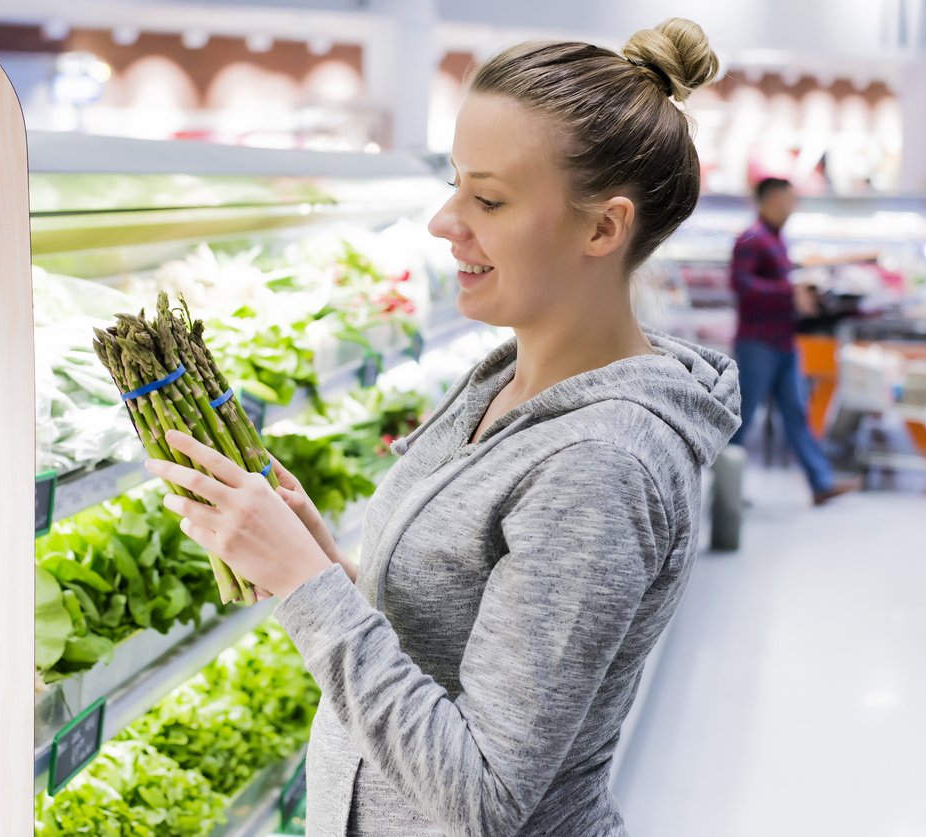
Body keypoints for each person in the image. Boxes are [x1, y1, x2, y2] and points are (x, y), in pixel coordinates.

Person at [146, 18, 741, 837]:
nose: (443, 221)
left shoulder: (600, 466)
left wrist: (303, 586)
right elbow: (452, 635)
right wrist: (321, 558)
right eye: (455, 182)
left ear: (603, 228)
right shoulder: (504, 375)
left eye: (488, 199)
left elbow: (484, 798)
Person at [729, 177, 861, 505]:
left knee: (797, 413)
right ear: (771, 199)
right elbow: (741, 285)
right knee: (741, 418)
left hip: (784, 341)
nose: (792, 207)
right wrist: (790, 292)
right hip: (758, 343)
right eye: (788, 199)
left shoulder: (776, 240)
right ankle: (725, 490)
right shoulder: (751, 239)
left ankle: (820, 483)